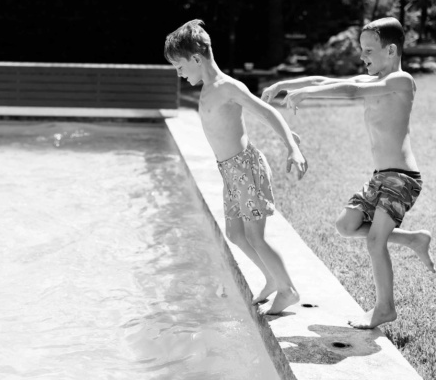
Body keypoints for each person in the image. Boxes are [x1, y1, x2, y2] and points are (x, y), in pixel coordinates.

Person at [262, 17, 435, 329]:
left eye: (369, 50)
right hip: (380, 176)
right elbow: (325, 80)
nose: (362, 56)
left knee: (374, 242)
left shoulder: (401, 81)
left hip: (403, 178)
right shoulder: (375, 80)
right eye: (362, 51)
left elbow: (352, 91)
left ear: (392, 50)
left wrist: (308, 96)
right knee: (346, 224)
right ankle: (413, 240)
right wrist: (287, 85)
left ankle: (385, 308)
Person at [164, 19, 308, 315]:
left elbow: (267, 111)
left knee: (255, 235)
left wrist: (291, 147)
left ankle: (288, 289)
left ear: (195, 58)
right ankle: (271, 277)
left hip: (246, 170)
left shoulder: (227, 86)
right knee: (235, 233)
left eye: (180, 67)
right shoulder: (206, 88)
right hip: (230, 173)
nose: (179, 75)